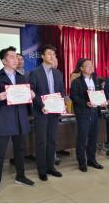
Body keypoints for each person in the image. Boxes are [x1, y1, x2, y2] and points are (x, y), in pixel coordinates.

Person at [0, 46, 35, 196]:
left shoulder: (22, 77)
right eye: (12, 57)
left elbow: (26, 95)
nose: (16, 60)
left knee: (20, 150)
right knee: (0, 152)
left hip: (21, 118)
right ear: (4, 61)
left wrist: (32, 95)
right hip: (4, 119)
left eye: (17, 57)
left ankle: (20, 176)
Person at [28, 45, 65, 181]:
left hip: (54, 112)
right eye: (49, 54)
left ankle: (51, 167)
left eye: (54, 54)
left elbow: (61, 90)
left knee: (52, 141)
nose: (52, 56)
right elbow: (32, 92)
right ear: (43, 56)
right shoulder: (35, 72)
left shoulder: (57, 73)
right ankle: (42, 170)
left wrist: (60, 104)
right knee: (41, 142)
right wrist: (42, 105)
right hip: (41, 112)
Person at [69, 58, 106, 172]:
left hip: (95, 112)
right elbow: (73, 97)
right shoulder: (76, 82)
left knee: (93, 138)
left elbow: (99, 94)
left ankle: (92, 160)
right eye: (88, 65)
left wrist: (103, 101)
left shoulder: (96, 79)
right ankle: (82, 162)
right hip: (83, 113)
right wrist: (85, 103)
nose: (91, 67)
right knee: (82, 138)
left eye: (92, 65)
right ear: (81, 68)